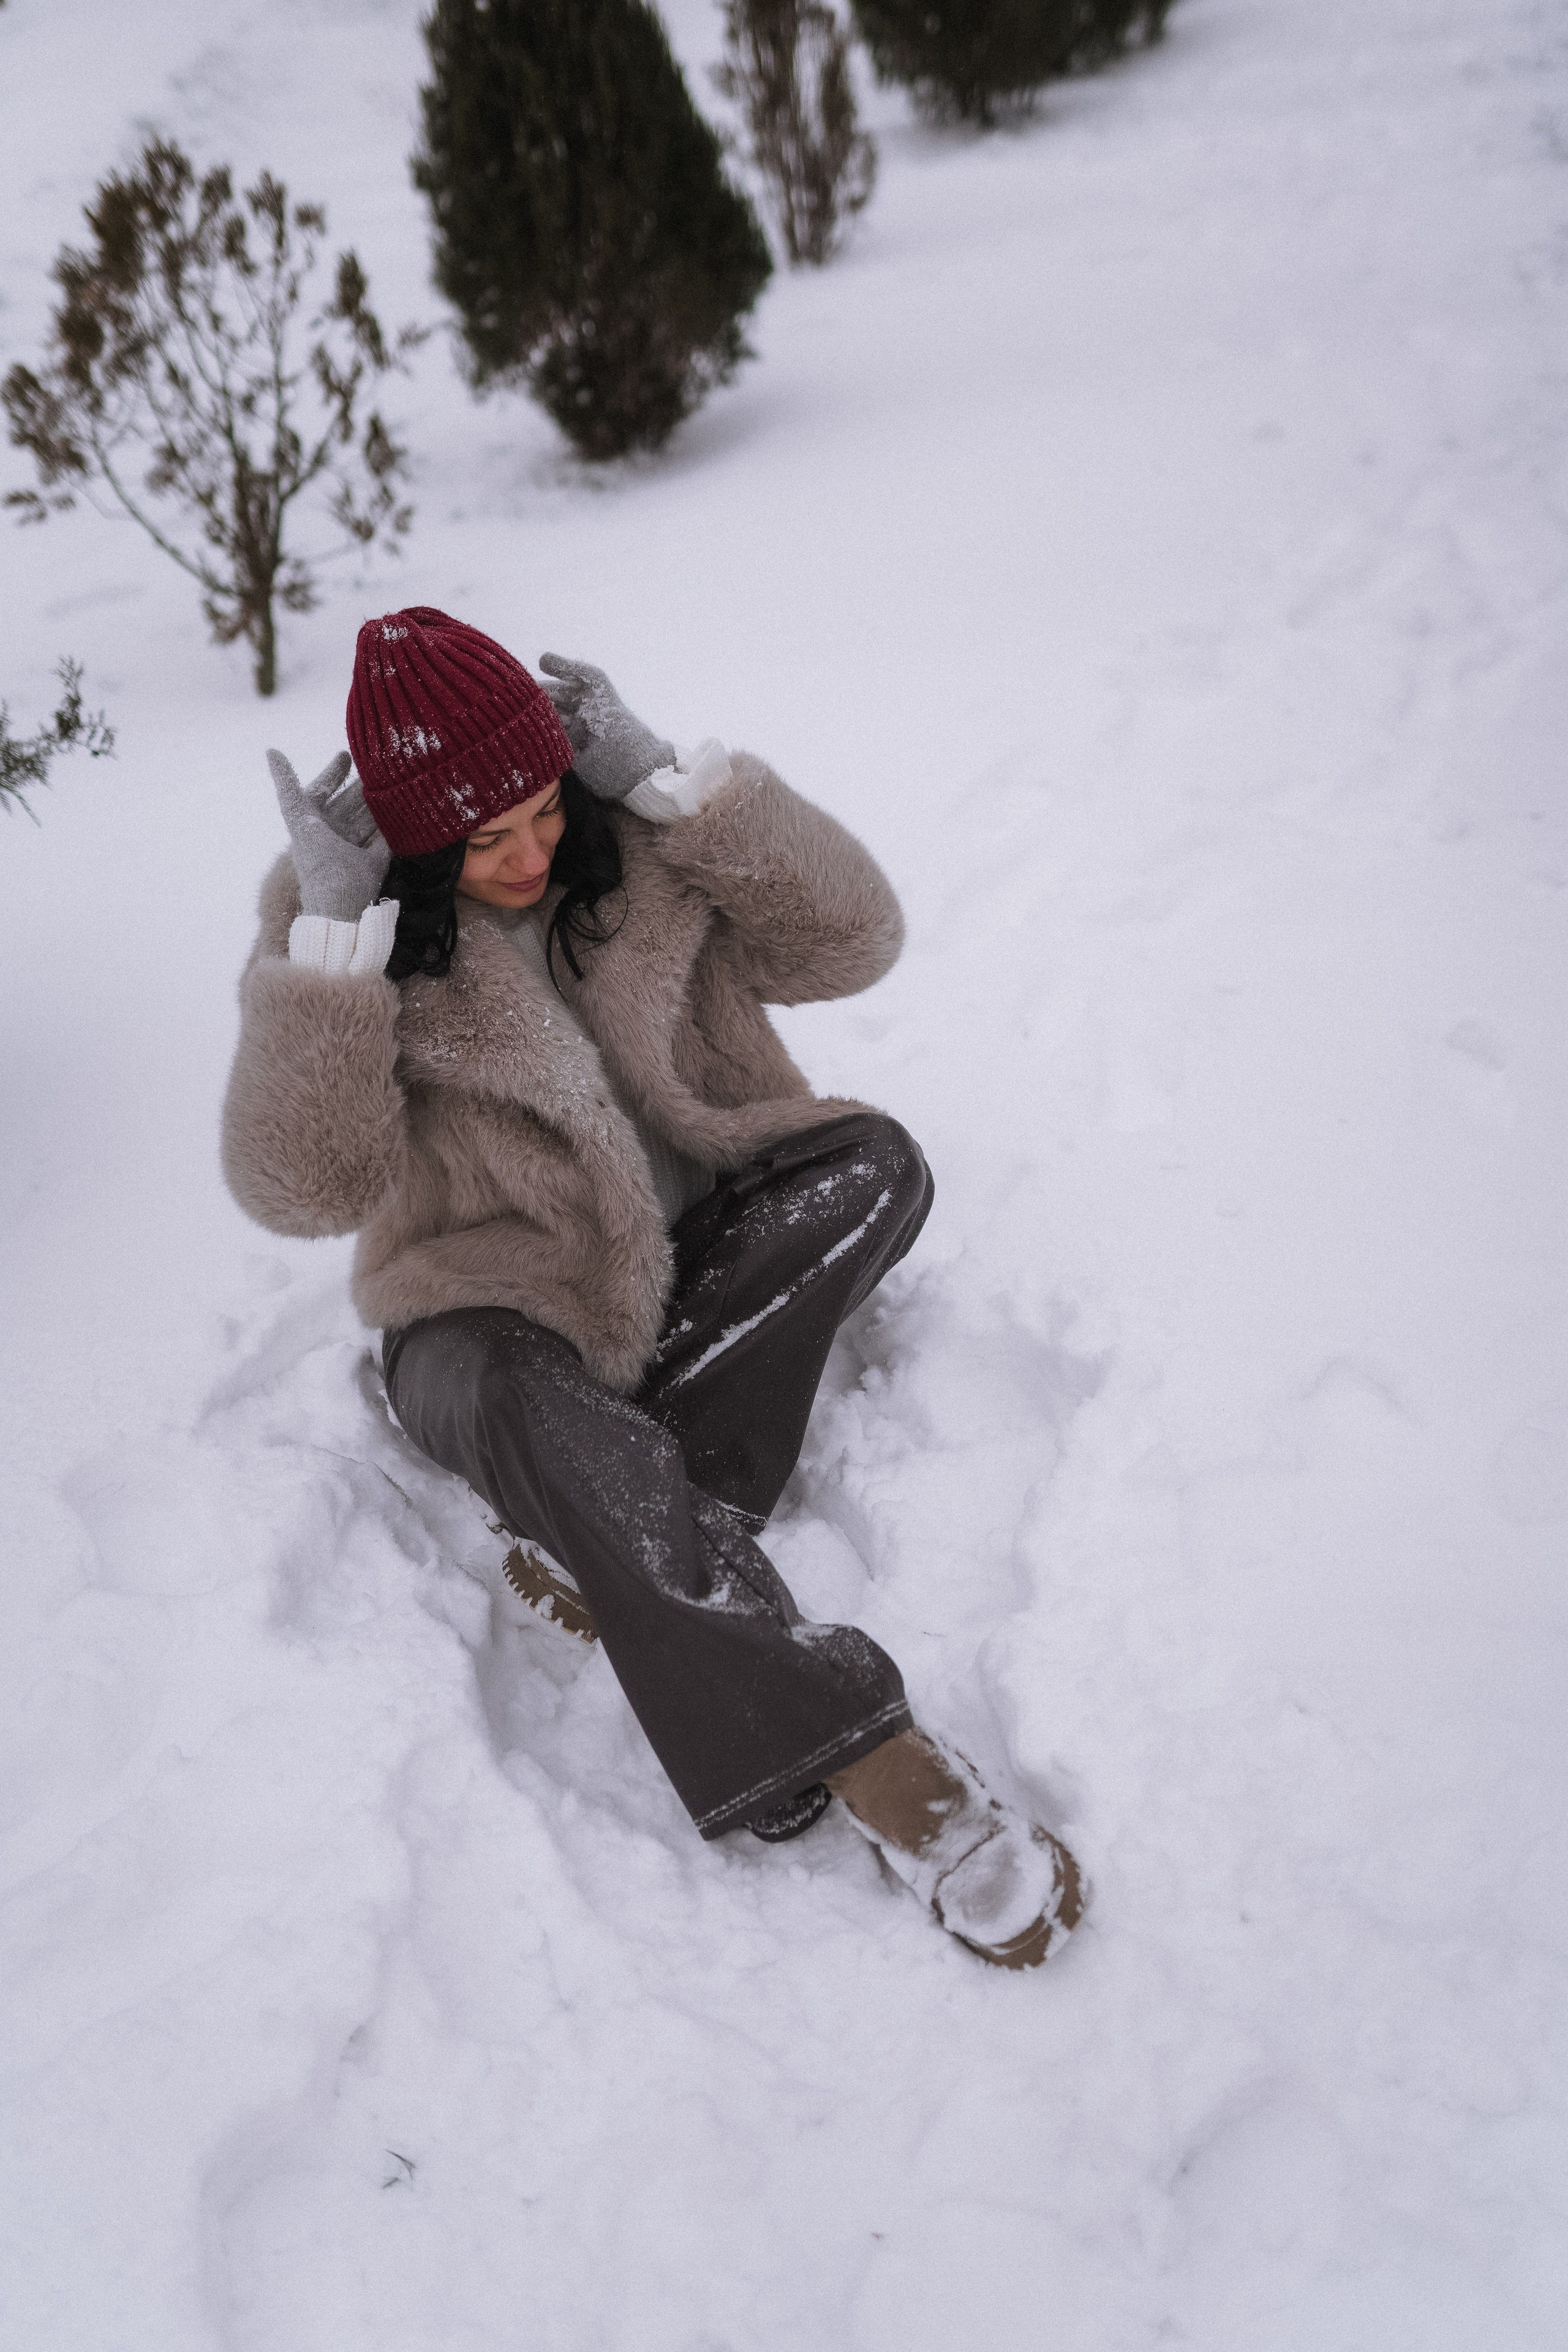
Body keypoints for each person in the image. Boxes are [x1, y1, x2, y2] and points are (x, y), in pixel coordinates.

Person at [221, 606, 1082, 1969]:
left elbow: (852, 944)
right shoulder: (356, 938)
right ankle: (850, 1744)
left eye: (538, 813)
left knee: (871, 1164)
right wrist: (331, 955)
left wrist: (680, 791)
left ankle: (604, 1511)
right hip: (483, 1331)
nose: (524, 857)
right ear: (420, 848)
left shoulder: (642, 848)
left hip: (689, 1271)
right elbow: (301, 1188)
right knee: (520, 1391)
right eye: (480, 841)